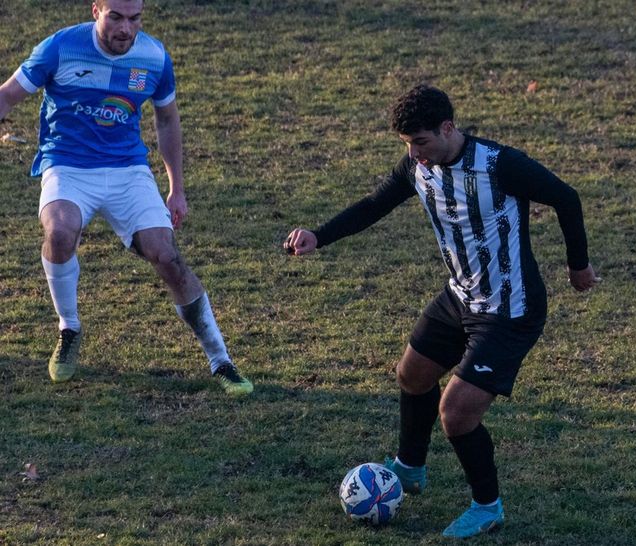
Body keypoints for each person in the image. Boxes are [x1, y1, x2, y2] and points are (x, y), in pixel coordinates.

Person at [286, 84, 599, 537]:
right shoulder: (418, 167)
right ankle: (410, 467)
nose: (414, 154)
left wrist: (578, 266)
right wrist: (319, 235)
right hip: (460, 296)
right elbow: (374, 205)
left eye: (421, 142)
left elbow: (566, 197)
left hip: (509, 309)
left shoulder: (499, 164)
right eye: (407, 145)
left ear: (447, 128)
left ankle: (487, 507)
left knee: (456, 413)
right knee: (412, 374)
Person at [0, 0, 253, 396]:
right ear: (95, 11)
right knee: (60, 232)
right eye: (115, 17)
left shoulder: (154, 56)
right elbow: (6, 96)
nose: (126, 29)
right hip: (67, 165)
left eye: (135, 19)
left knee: (167, 257)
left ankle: (221, 361)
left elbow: (166, 119)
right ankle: (69, 328)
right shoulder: (60, 47)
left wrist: (177, 189)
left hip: (128, 170)